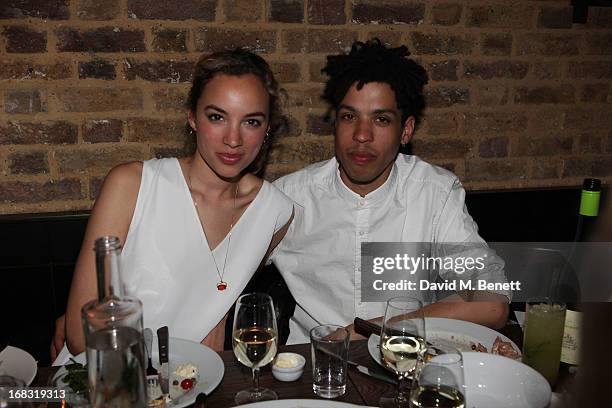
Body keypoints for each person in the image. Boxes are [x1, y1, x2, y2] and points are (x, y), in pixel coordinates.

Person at [51, 49, 294, 359]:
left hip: (192, 382)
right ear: (192, 117)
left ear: (268, 128)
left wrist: (220, 317)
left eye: (251, 121)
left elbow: (221, 284)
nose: (233, 139)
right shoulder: (131, 185)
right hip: (103, 378)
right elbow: (79, 335)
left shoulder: (275, 211)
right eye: (217, 117)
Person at [270, 39, 509, 344]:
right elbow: (218, 272)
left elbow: (492, 303)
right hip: (314, 370)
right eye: (349, 116)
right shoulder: (291, 196)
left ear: (406, 130)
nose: (361, 135)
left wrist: (370, 328)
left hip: (404, 366)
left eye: (381, 119)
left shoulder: (434, 193)